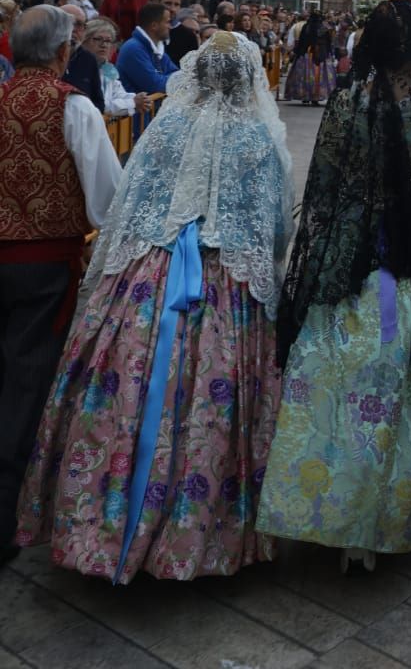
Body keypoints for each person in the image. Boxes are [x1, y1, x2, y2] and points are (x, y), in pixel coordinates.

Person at [16, 31, 294, 582]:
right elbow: (272, 228)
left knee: (128, 389)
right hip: (225, 288)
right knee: (208, 406)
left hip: (146, 278)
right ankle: (195, 536)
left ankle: (100, 522)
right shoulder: (259, 139)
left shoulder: (166, 127)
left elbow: (127, 202)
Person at [256, 0, 411, 571]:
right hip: (408, 268)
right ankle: (389, 509)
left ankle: (327, 502)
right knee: (401, 386)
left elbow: (324, 191)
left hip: (347, 260)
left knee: (338, 381)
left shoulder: (343, 104)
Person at [0, 6, 122, 566]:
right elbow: (106, 201)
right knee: (28, 379)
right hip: (45, 266)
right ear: (62, 52)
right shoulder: (73, 106)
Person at [116, 2, 178, 132]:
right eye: (167, 22)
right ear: (154, 25)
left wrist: (171, 78)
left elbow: (177, 74)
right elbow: (155, 85)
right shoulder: (133, 49)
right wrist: (172, 79)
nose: (170, 26)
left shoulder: (157, 48)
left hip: (147, 122)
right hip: (133, 127)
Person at [81, 18, 151, 118]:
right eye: (98, 39)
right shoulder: (80, 69)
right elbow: (99, 106)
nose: (103, 45)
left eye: (108, 41)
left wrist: (138, 98)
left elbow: (119, 93)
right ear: (84, 42)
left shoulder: (107, 67)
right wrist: (132, 103)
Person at [284, 10, 336, 105]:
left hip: (307, 54)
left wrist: (297, 52)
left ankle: (305, 96)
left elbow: (301, 42)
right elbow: (329, 43)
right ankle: (315, 97)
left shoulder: (307, 27)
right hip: (321, 56)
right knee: (319, 76)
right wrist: (329, 54)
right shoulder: (324, 28)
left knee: (305, 74)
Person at [60, 4, 105, 114]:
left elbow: (99, 103)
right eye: (69, 23)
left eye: (79, 25)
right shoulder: (41, 56)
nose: (73, 29)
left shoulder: (89, 59)